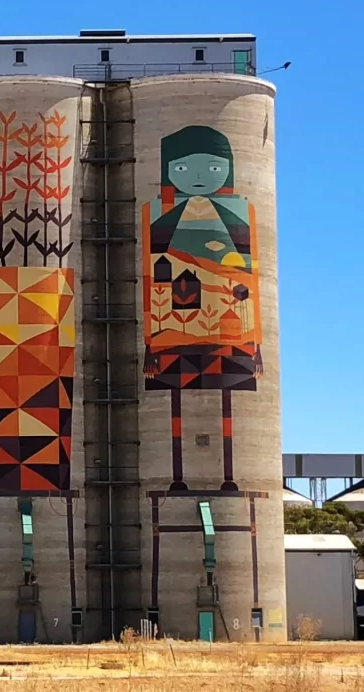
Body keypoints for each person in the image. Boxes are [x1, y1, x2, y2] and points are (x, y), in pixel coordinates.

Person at [142, 125, 262, 491]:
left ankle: (229, 477)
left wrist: (254, 340)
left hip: (228, 326)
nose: (197, 177)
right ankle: (177, 477)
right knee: (174, 402)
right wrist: (151, 339)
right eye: (182, 169)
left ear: (226, 169)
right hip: (174, 324)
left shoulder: (241, 215)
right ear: (168, 171)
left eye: (211, 169)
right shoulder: (157, 216)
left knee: (227, 401)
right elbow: (151, 274)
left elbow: (248, 279)